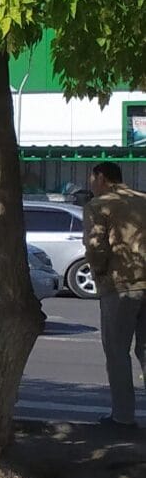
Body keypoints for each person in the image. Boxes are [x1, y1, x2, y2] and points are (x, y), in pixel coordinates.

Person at [83, 161, 146, 429]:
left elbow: (96, 246)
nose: (90, 183)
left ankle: (123, 416)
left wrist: (99, 273)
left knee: (117, 352)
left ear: (102, 178)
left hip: (120, 286)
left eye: (92, 177)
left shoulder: (99, 205)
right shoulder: (143, 200)